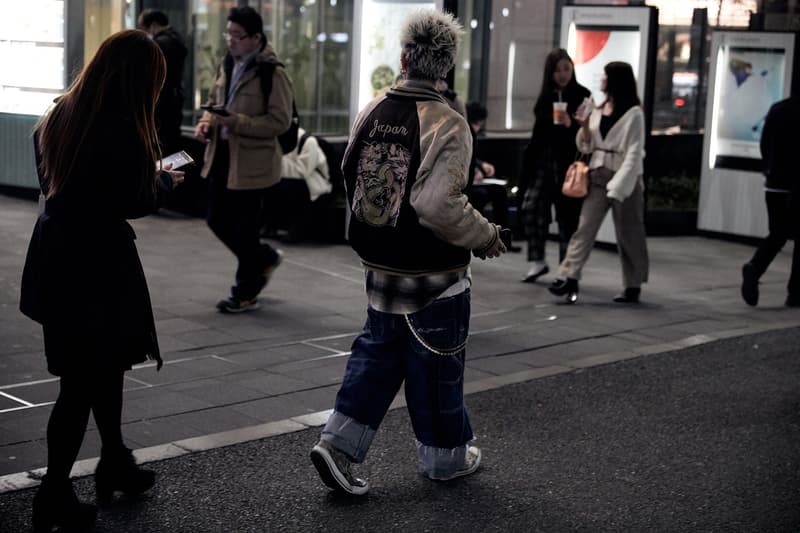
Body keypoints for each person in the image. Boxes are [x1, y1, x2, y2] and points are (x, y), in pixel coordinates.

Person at [309, 9, 506, 495]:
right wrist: (484, 235)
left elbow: (349, 171)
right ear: (446, 67)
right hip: (432, 276)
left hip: (380, 268)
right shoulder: (447, 121)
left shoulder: (373, 108)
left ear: (403, 58)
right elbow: (438, 204)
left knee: (376, 357)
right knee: (437, 366)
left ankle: (338, 445)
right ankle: (445, 458)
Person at [19, 30, 184, 532]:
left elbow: (57, 184)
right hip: (97, 267)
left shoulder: (60, 114)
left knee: (100, 368)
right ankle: (53, 494)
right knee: (82, 384)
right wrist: (161, 180)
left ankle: (114, 460)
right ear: (138, 79)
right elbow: (133, 200)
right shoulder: (120, 126)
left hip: (56, 258)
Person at [194, 6, 293, 313]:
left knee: (244, 227)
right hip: (221, 156)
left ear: (255, 38)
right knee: (216, 219)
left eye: (237, 36)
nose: (231, 41)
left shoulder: (272, 74)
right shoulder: (227, 63)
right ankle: (264, 258)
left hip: (254, 164)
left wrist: (237, 122)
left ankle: (244, 293)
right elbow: (214, 103)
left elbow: (280, 122)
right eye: (229, 34)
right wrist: (207, 122)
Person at [549, 61, 649, 304]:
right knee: (584, 228)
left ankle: (633, 284)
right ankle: (568, 276)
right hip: (597, 176)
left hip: (625, 179)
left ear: (615, 80)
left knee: (629, 233)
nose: (601, 80)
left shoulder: (634, 113)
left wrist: (619, 187)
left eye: (605, 76)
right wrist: (583, 127)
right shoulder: (596, 106)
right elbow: (586, 145)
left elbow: (634, 154)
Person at [521, 48, 591, 282]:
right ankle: (537, 260)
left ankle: (566, 269)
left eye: (566, 69)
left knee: (567, 218)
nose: (562, 74)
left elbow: (588, 134)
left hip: (568, 164)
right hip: (543, 161)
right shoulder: (546, 97)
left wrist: (571, 124)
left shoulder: (583, 95)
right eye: (557, 70)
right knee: (532, 207)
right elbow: (537, 135)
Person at [740, 95, 800, 307]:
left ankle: (755, 268)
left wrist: (770, 169)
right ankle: (795, 293)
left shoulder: (777, 109)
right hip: (796, 185)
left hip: (774, 185)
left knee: (777, 234)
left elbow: (765, 144)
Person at [465, 101, 520, 251]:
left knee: (499, 191)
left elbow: (473, 158)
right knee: (480, 195)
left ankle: (503, 238)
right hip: (464, 184)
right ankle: (479, 238)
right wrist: (471, 171)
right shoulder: (463, 132)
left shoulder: (472, 134)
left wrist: (481, 165)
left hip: (474, 180)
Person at [265, 127, 332, 242]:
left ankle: (296, 230)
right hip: (295, 180)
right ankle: (270, 226)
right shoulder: (277, 140)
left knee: (289, 185)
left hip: (315, 183)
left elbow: (302, 172)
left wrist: (277, 160)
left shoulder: (307, 141)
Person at [137, 9, 188, 155]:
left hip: (162, 102)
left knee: (161, 145)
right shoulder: (177, 39)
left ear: (153, 25)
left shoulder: (159, 45)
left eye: (143, 29)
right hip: (174, 100)